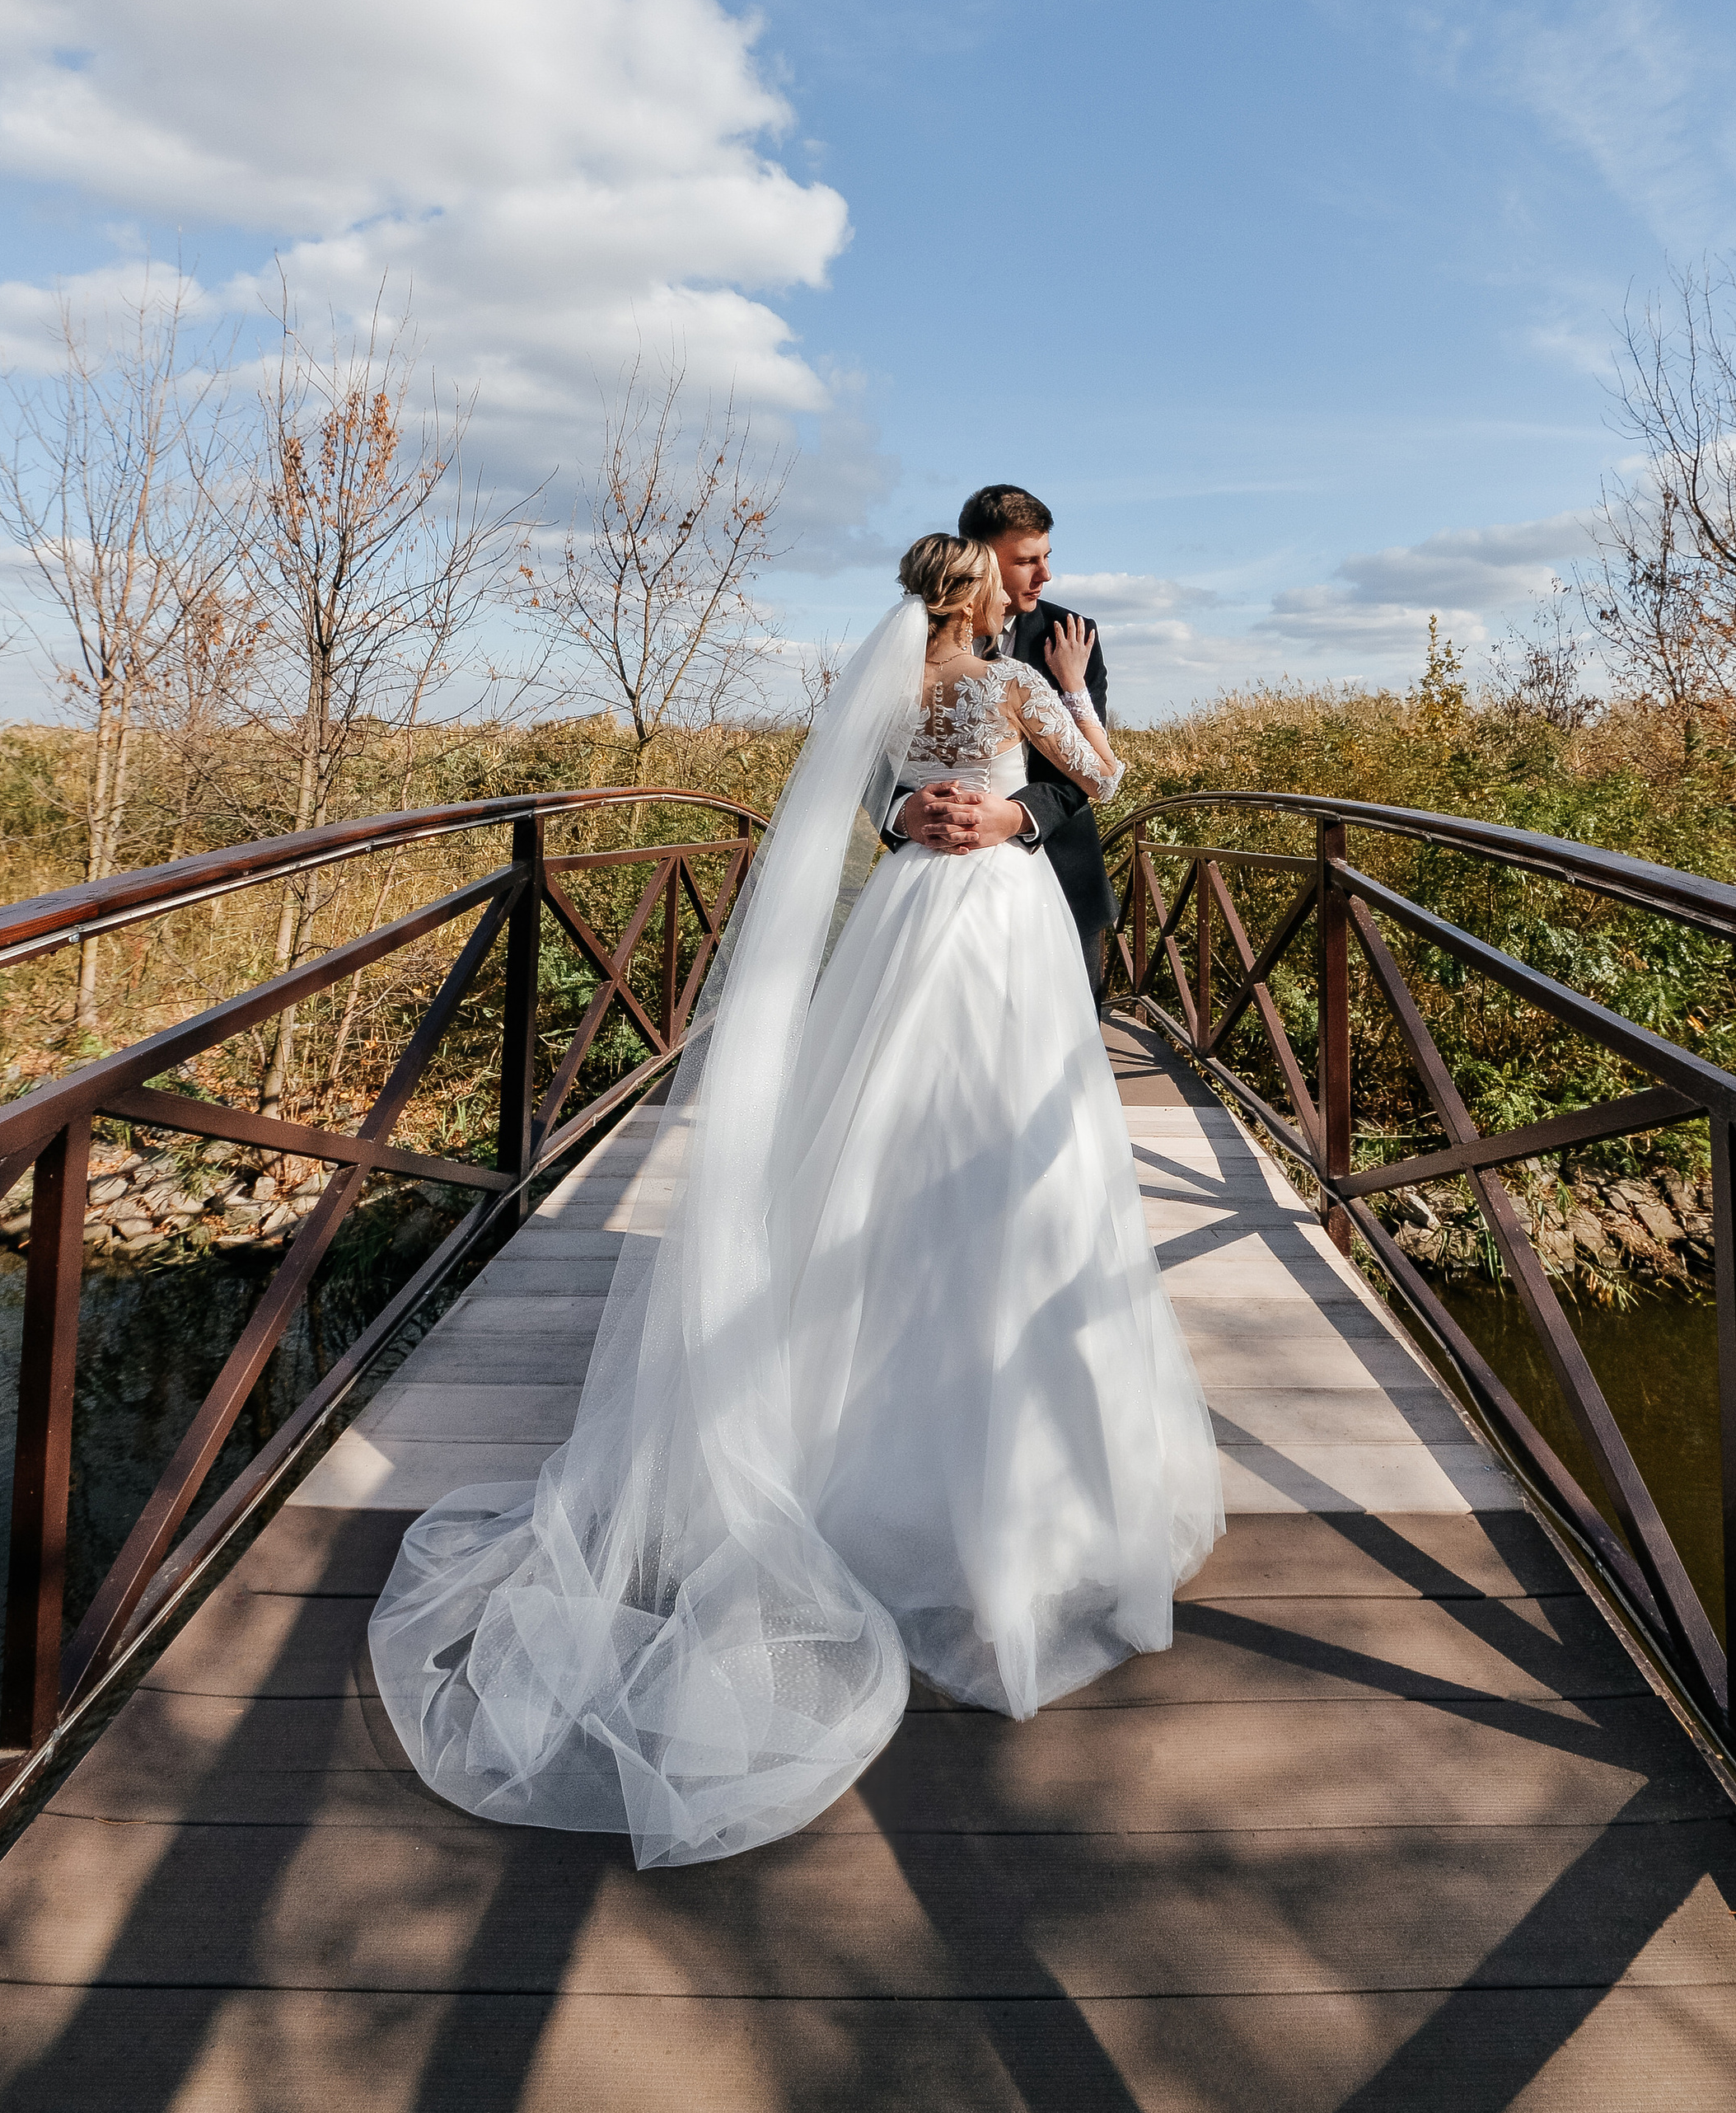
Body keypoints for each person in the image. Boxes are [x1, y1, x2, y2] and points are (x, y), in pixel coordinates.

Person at [368, 535, 1222, 1869]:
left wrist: (946, 811)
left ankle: (837, 1428)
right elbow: (1100, 773)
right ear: (988, 588)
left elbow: (881, 796)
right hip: (995, 928)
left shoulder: (889, 683)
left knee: (875, 1131)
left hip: (907, 921)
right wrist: (1061, 699)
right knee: (997, 1144)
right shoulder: (1015, 676)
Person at [891, 483, 1118, 995]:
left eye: (1047, 557)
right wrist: (904, 814)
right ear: (983, 562)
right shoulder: (898, 654)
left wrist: (1016, 816)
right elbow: (861, 768)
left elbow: (1077, 771)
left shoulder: (1072, 635)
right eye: (1026, 560)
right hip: (924, 880)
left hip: (1055, 874)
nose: (1046, 575)